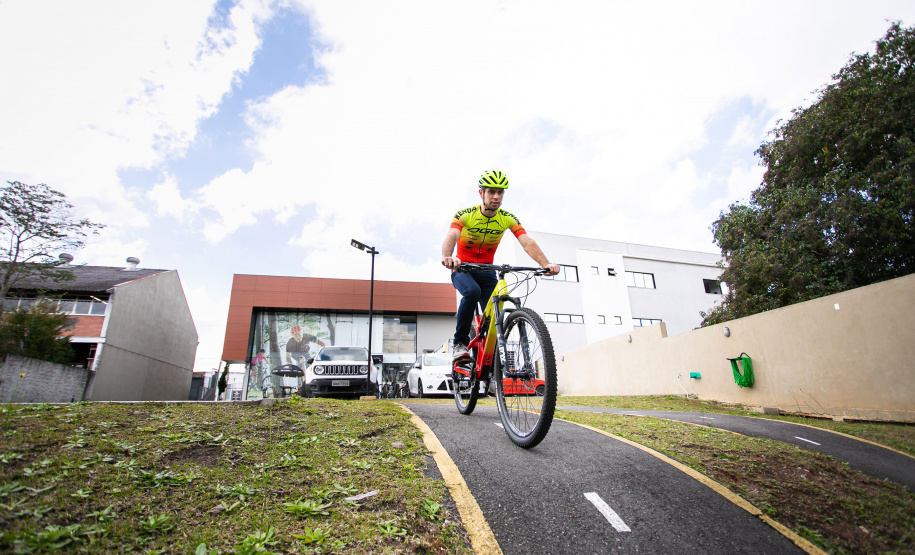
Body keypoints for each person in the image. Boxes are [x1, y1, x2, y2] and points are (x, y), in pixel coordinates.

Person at [442, 170, 559, 359]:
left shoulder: (507, 218)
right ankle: (460, 343)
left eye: (500, 192)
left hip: (487, 271)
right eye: (491, 192)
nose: (496, 197)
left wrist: (546, 264)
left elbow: (526, 241)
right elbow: (452, 235)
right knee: (472, 292)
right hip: (463, 269)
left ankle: (492, 364)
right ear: (481, 193)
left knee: (497, 312)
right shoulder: (465, 215)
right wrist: (448, 257)